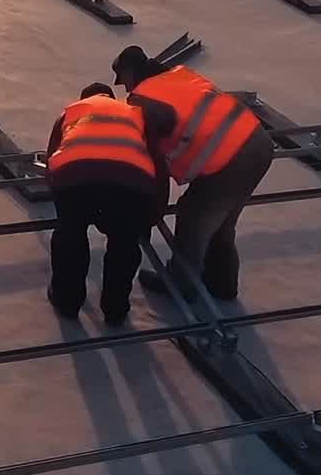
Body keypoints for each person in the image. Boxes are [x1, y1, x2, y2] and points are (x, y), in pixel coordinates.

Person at [113, 46, 274, 301]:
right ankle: (222, 285)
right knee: (222, 222)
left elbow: (154, 160)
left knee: (193, 217)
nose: (125, 88)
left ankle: (182, 285)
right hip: (258, 141)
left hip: (229, 158)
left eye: (123, 81)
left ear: (130, 72)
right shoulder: (181, 74)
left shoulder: (143, 100)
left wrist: (153, 207)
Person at [46, 82, 171, 326]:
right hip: (129, 182)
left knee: (70, 237)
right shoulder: (134, 114)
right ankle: (115, 310)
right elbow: (158, 162)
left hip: (75, 176)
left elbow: (52, 158)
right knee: (124, 244)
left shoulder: (71, 112)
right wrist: (156, 208)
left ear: (84, 98)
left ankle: (67, 301)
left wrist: (65, 205)